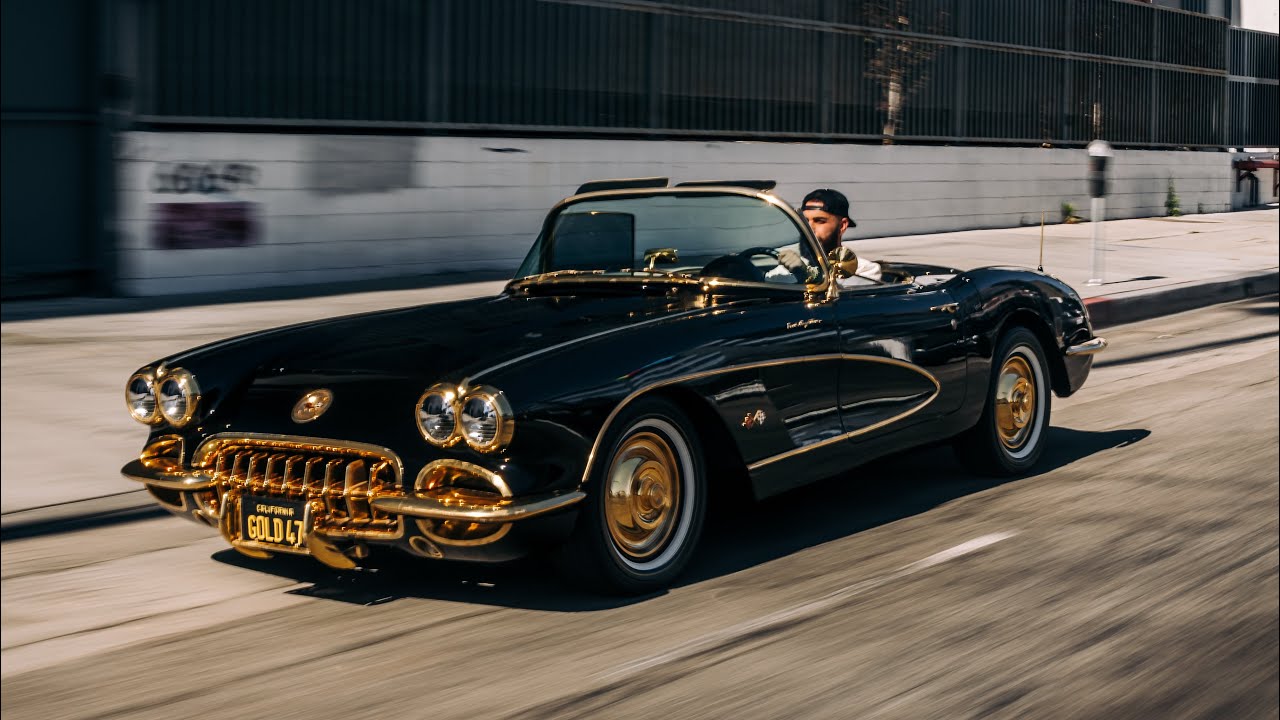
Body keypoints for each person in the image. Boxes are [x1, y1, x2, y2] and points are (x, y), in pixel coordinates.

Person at [775, 188, 882, 284]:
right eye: (805, 221)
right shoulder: (785, 269)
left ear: (842, 226)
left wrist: (805, 273)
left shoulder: (865, 270)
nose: (809, 228)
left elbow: (843, 299)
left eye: (820, 221)